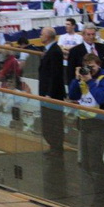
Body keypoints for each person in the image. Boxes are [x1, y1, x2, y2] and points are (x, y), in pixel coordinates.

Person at [67, 54, 104, 207]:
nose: (89, 69)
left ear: (98, 65)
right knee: (85, 163)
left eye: (92, 66)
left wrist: (90, 80)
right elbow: (73, 95)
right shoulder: (84, 78)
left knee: (95, 164)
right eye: (87, 66)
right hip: (84, 123)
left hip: (99, 125)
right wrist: (77, 79)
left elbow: (101, 97)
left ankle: (101, 202)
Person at [37, 27, 67, 157]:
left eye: (42, 34)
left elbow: (55, 75)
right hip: (46, 93)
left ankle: (56, 147)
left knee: (53, 122)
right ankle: (53, 146)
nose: (40, 35)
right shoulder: (49, 50)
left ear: (48, 36)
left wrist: (49, 94)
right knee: (48, 122)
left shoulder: (55, 51)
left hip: (52, 95)